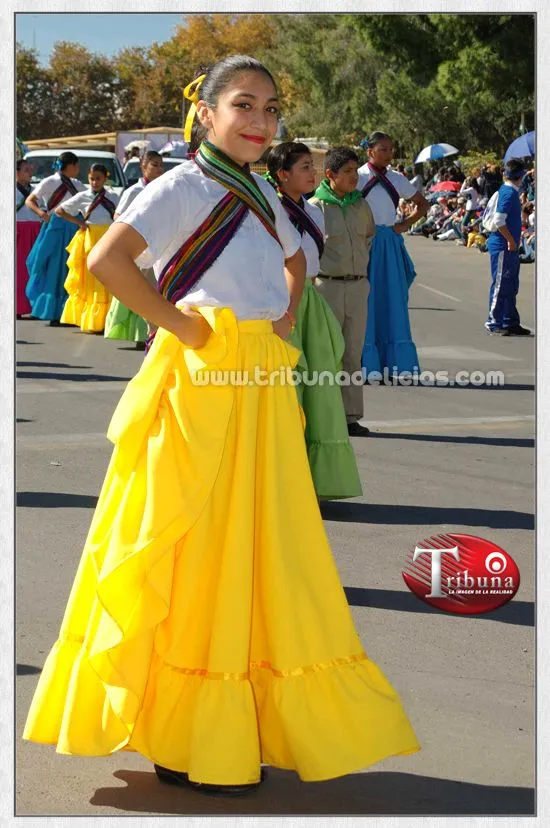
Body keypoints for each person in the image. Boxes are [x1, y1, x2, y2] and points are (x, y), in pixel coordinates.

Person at [23, 55, 419, 797]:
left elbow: (296, 265)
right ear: (205, 114)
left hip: (259, 383)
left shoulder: (266, 191)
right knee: (195, 547)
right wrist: (188, 329)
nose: (261, 121)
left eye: (271, 109)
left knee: (259, 549)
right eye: (244, 105)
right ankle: (183, 730)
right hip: (202, 384)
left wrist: (280, 323)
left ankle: (233, 719)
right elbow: (110, 263)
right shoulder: (179, 186)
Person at [265, 141, 362, 498]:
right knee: (286, 388)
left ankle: (315, 480)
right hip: (279, 302)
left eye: (312, 165)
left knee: (320, 388)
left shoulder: (315, 212)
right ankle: (281, 481)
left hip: (311, 303)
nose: (312, 173)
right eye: (304, 166)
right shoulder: (268, 209)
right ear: (282, 174)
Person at [309, 147, 376, 436]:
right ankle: (325, 416)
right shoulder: (316, 207)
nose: (354, 177)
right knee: (327, 354)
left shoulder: (361, 205)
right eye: (347, 172)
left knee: (353, 353)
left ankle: (350, 416)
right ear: (330, 175)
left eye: (355, 171)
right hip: (327, 287)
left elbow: (368, 239)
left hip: (358, 286)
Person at [357, 132, 428, 377]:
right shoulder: (357, 176)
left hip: (388, 242)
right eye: (383, 149)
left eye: (391, 149)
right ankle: (367, 363)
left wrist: (401, 226)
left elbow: (422, 204)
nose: (389, 154)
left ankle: (398, 364)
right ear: (370, 151)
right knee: (366, 300)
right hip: (364, 243)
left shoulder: (397, 179)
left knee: (394, 299)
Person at [104, 151, 164, 348]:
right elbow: (118, 215)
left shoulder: (163, 189)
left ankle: (152, 333)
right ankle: (146, 334)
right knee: (144, 291)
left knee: (157, 290)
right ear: (143, 166)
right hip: (140, 248)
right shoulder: (134, 191)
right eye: (154, 164)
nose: (159, 169)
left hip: (159, 246)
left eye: (161, 165)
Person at [55, 164, 119, 333]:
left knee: (108, 277)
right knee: (91, 279)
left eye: (98, 179)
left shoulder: (113, 196)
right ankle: (91, 320)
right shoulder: (83, 196)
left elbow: (122, 213)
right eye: (92, 178)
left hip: (107, 236)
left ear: (105, 178)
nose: (95, 182)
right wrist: (79, 222)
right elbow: (59, 210)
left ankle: (108, 319)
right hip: (90, 238)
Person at [24, 151, 86, 324]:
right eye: (77, 165)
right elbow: (30, 200)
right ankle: (51, 310)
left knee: (69, 269)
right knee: (51, 267)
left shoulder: (77, 184)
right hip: (54, 227)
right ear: (71, 165)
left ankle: (67, 312)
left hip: (73, 228)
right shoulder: (50, 181)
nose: (78, 169)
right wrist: (40, 213)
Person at [484, 158, 530, 336]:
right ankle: (495, 321)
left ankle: (510, 321)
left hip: (507, 245)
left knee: (511, 284)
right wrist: (511, 240)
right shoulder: (509, 193)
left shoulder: (508, 191)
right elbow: (498, 220)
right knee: (501, 284)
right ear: (520, 175)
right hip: (503, 244)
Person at [16, 159, 42, 318]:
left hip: (35, 229)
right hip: (18, 229)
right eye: (26, 169)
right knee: (18, 270)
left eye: (30, 169)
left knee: (35, 268)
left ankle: (35, 306)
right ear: (16, 172)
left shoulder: (36, 190)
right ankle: (17, 306)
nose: (30, 172)